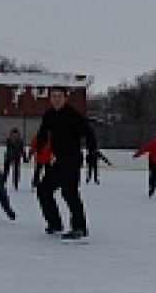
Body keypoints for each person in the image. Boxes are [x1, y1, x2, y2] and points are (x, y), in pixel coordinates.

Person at [34, 87, 97, 240]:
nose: (56, 99)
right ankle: (55, 223)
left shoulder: (73, 116)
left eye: (59, 96)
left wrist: (91, 153)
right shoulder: (49, 115)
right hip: (58, 159)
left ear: (65, 98)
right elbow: (43, 133)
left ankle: (79, 227)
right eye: (53, 96)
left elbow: (89, 134)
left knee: (69, 192)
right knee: (44, 189)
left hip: (72, 158)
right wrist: (38, 147)